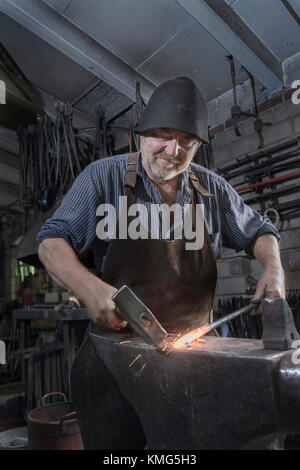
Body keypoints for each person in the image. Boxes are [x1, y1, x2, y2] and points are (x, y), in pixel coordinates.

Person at [37, 76, 285, 449]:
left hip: (194, 353)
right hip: (118, 357)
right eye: (163, 135)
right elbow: (49, 243)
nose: (173, 150)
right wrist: (91, 290)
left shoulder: (211, 188)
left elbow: (259, 232)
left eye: (187, 142)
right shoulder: (104, 178)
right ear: (142, 133)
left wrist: (273, 268)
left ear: (198, 145)